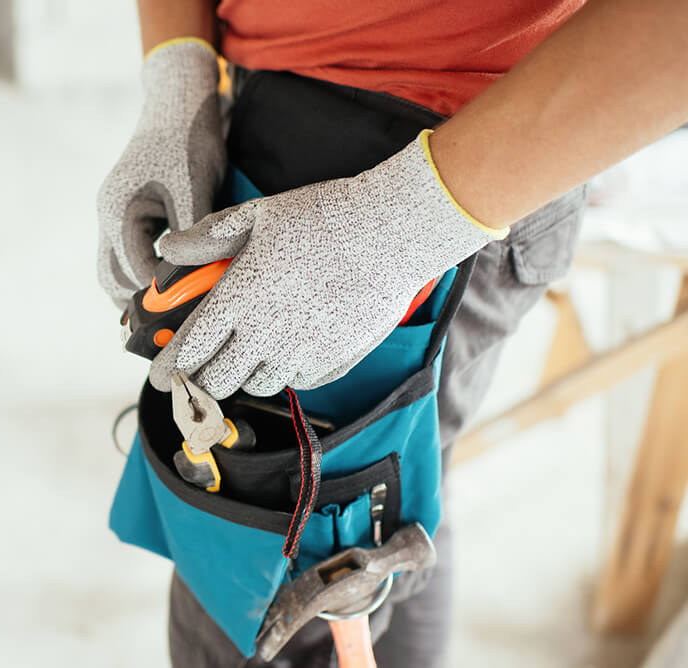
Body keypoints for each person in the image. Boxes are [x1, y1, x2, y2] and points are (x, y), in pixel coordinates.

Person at [96, 1, 688, 666]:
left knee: (255, 599)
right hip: (280, 105)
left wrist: (407, 222)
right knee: (397, 493)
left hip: (467, 155)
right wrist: (177, 75)